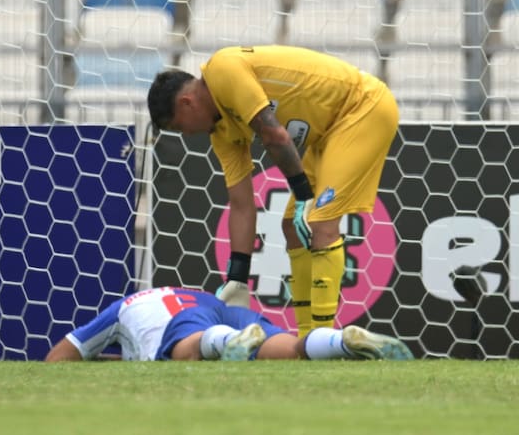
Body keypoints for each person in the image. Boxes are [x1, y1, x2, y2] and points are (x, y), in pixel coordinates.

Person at [146, 45, 399, 340]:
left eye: (180, 127)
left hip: (362, 108)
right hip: (329, 133)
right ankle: (307, 339)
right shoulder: (223, 134)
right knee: (292, 225)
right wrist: (238, 278)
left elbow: (274, 135)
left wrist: (305, 198)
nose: (187, 135)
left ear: (188, 103)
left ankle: (323, 337)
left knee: (318, 222)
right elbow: (241, 205)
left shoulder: (223, 69)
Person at [45, 285, 414, 362]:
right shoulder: (174, 291)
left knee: (184, 352)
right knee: (285, 349)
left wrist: (99, 361)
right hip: (216, 304)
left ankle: (224, 342)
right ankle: (342, 343)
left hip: (191, 323)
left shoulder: (121, 309)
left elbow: (59, 359)